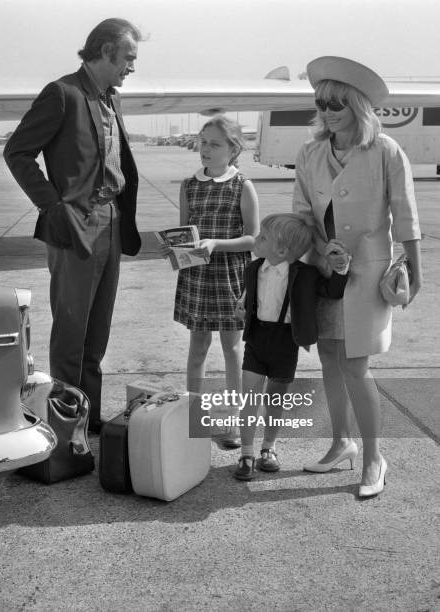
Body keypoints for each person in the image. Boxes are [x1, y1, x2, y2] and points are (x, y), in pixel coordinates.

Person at [4, 19, 144, 434]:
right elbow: (18, 152)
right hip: (77, 223)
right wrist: (53, 206)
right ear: (105, 51)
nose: (132, 67)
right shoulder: (62, 94)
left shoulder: (109, 98)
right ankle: (67, 427)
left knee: (97, 328)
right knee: (71, 331)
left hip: (112, 221)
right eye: (129, 58)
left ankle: (90, 416)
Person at [293, 56, 422, 497]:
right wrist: (317, 249)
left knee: (355, 364)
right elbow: (301, 212)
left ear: (357, 107)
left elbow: (406, 216)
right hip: (322, 271)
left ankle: (373, 458)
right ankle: (340, 442)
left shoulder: (385, 150)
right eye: (321, 102)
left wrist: (416, 275)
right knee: (328, 357)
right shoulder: (309, 152)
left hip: (367, 272)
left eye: (337, 104)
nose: (327, 111)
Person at [164, 115, 259, 449]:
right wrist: (176, 249)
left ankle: (233, 419)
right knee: (197, 347)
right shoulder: (189, 185)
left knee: (232, 349)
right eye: (203, 142)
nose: (205, 149)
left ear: (232, 149)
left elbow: (254, 239)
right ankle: (194, 415)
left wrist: (217, 244)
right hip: (198, 276)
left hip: (230, 275)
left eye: (214, 144)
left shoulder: (241, 185)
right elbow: (184, 232)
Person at [232, 214, 349, 481]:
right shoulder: (253, 269)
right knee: (249, 396)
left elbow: (332, 291)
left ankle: (268, 448)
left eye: (263, 238)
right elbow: (251, 299)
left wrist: (340, 269)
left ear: (282, 250)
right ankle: (246, 453)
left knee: (275, 398)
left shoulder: (306, 274)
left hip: (286, 342)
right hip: (257, 337)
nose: (256, 240)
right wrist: (243, 310)